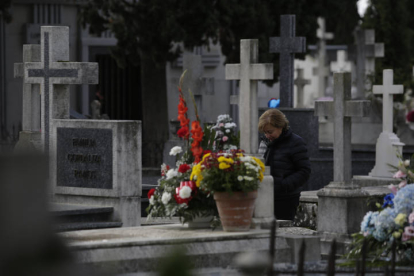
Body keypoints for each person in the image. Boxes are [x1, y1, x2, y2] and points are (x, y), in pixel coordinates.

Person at [258, 109, 311, 221]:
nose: (267, 135)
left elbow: (304, 171)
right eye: (265, 132)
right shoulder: (264, 142)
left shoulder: (296, 142)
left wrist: (283, 185)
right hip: (264, 197)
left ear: (280, 126)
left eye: (270, 132)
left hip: (286, 199)